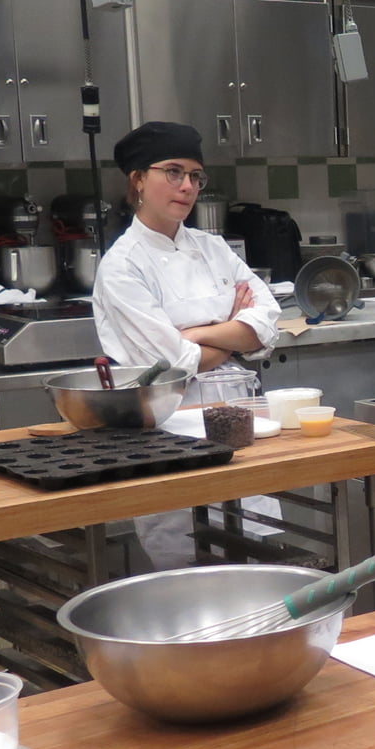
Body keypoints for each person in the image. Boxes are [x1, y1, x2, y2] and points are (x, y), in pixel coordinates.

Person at [93, 121, 280, 569]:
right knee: (190, 568)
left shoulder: (212, 247)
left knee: (260, 554)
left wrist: (196, 335)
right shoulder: (122, 266)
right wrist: (230, 329)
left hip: (239, 421)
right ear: (138, 179)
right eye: (173, 172)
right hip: (168, 431)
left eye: (196, 176)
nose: (187, 186)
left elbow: (268, 322)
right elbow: (174, 362)